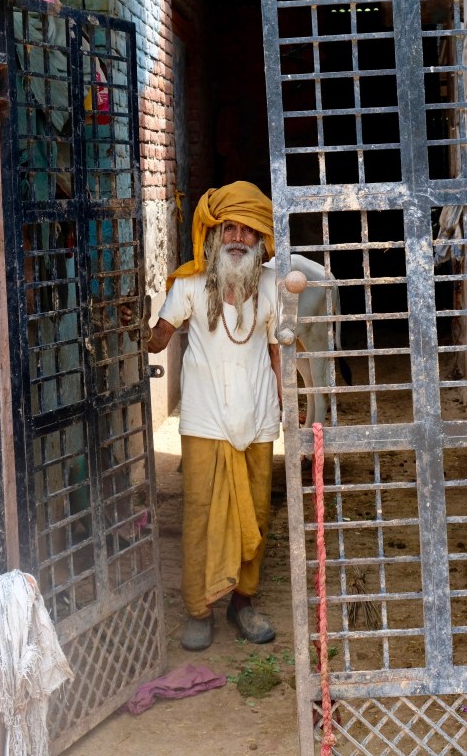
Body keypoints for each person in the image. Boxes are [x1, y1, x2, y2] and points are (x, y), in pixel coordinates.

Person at [148, 180, 282, 651]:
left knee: (257, 514)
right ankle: (198, 610)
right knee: (200, 514)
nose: (238, 238)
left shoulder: (272, 286)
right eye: (229, 228)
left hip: (258, 416)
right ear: (214, 234)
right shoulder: (189, 284)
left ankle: (243, 604)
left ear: (260, 239)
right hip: (204, 418)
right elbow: (158, 339)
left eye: (248, 230)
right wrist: (136, 330)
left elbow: (277, 351)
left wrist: (287, 405)